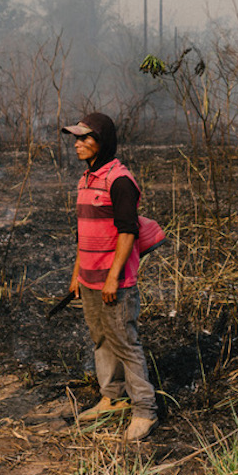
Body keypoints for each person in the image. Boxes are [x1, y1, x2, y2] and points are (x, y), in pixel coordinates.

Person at [62, 112, 157, 442]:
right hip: (89, 279)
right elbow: (83, 233)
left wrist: (113, 278)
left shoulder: (120, 180)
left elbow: (128, 232)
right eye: (76, 138)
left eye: (85, 139)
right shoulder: (86, 179)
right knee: (101, 339)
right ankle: (112, 397)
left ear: (102, 143)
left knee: (126, 343)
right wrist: (77, 274)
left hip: (114, 281)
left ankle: (145, 410)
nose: (77, 144)